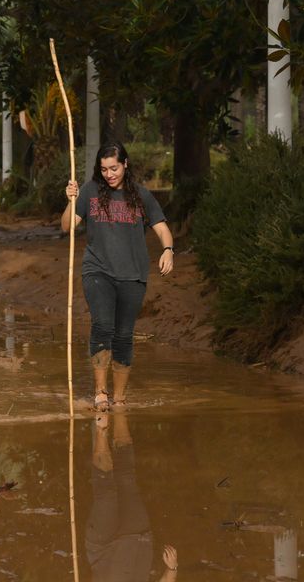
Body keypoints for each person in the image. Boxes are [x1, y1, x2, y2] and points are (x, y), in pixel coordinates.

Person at [62, 141, 174, 411]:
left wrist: (168, 250)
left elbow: (161, 228)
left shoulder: (142, 195)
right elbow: (67, 228)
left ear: (125, 165)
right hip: (97, 270)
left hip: (133, 274)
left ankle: (120, 397)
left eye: (114, 168)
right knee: (103, 326)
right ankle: (101, 393)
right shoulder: (89, 192)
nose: (109, 174)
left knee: (124, 334)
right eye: (104, 169)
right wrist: (71, 202)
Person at [87, 410, 178, 581]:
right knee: (127, 478)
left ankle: (101, 427)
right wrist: (172, 568)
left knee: (106, 494)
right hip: (137, 539)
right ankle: (119, 411)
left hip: (104, 550)